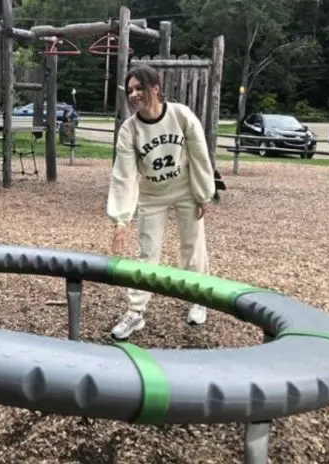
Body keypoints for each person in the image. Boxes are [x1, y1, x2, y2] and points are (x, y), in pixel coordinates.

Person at [107, 64, 217, 340]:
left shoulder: (181, 116)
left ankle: (199, 298)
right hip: (152, 195)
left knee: (193, 246)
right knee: (147, 253)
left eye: (139, 88)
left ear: (155, 88)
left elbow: (200, 156)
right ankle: (135, 312)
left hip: (183, 190)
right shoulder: (129, 130)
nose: (133, 94)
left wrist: (204, 194)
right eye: (130, 90)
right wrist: (121, 218)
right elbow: (124, 175)